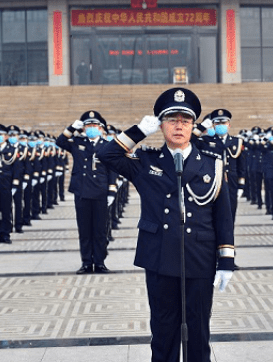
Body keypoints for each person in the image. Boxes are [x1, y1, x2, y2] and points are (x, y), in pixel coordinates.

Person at [97, 87, 234, 362]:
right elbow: (107, 155)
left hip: (199, 258)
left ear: (193, 125)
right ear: (161, 125)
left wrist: (226, 261)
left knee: (198, 332)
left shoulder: (213, 165)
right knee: (163, 332)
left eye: (185, 120)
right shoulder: (146, 161)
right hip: (160, 257)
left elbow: (223, 216)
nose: (179, 126)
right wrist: (137, 132)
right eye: (172, 120)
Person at [57, 111, 116, 274]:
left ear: (101, 128)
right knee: (84, 230)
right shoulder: (77, 142)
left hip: (101, 191)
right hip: (82, 192)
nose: (91, 128)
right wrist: (71, 128)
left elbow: (112, 169)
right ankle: (86, 262)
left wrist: (112, 190)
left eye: (94, 125)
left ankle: (99, 262)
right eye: (88, 125)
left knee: (100, 230)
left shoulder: (107, 145)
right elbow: (60, 141)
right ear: (83, 128)